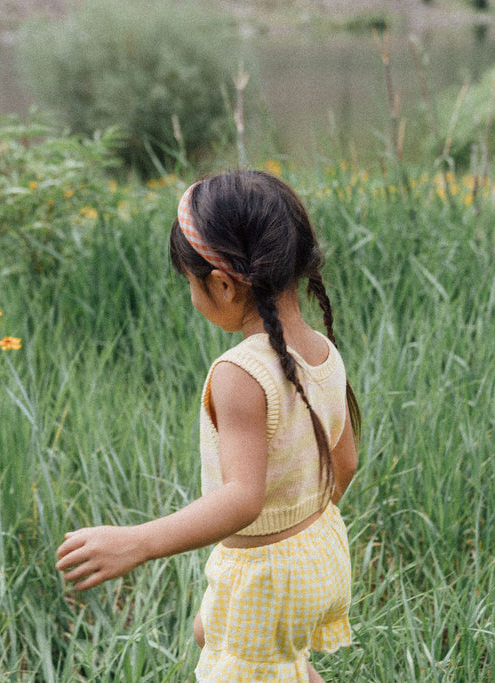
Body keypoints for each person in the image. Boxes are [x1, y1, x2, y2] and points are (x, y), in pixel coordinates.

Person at [55, 170, 362, 682]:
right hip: (322, 555)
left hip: (265, 576)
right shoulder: (324, 353)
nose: (191, 294)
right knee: (246, 646)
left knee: (240, 662)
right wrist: (299, 543)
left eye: (189, 282)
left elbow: (242, 499)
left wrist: (138, 542)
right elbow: (344, 463)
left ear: (221, 284)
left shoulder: (240, 373)